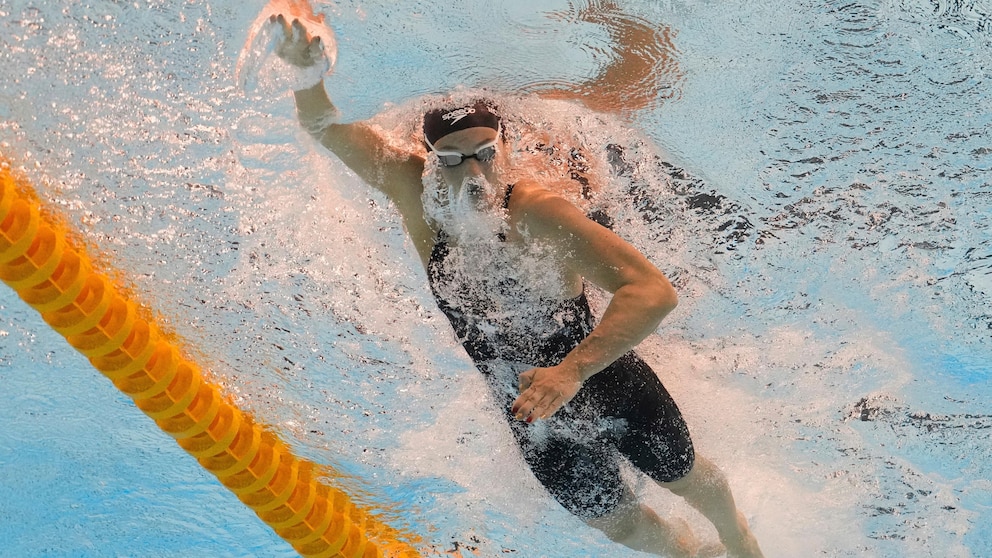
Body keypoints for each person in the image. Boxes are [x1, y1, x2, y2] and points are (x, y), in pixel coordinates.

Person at [270, 4, 764, 557]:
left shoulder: (535, 211)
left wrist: (570, 372)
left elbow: (652, 292)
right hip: (531, 419)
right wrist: (306, 77)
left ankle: (737, 539)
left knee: (691, 481)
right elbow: (326, 128)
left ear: (505, 149)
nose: (473, 176)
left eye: (484, 155)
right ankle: (689, 553)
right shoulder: (417, 196)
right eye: (454, 160)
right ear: (431, 162)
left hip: (608, 385)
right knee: (620, 527)